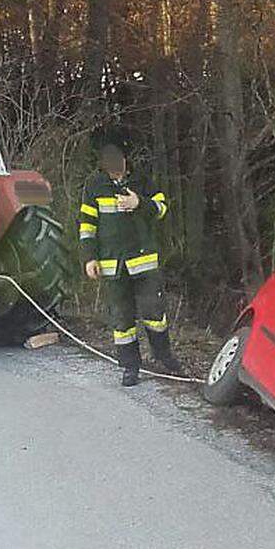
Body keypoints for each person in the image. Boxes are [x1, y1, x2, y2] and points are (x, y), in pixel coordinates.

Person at [78, 144, 183, 387]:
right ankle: (129, 367)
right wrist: (89, 258)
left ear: (125, 160)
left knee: (154, 313)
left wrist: (139, 203)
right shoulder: (94, 186)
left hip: (144, 261)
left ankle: (164, 357)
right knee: (122, 319)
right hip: (112, 264)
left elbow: (161, 209)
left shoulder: (142, 180)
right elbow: (87, 225)